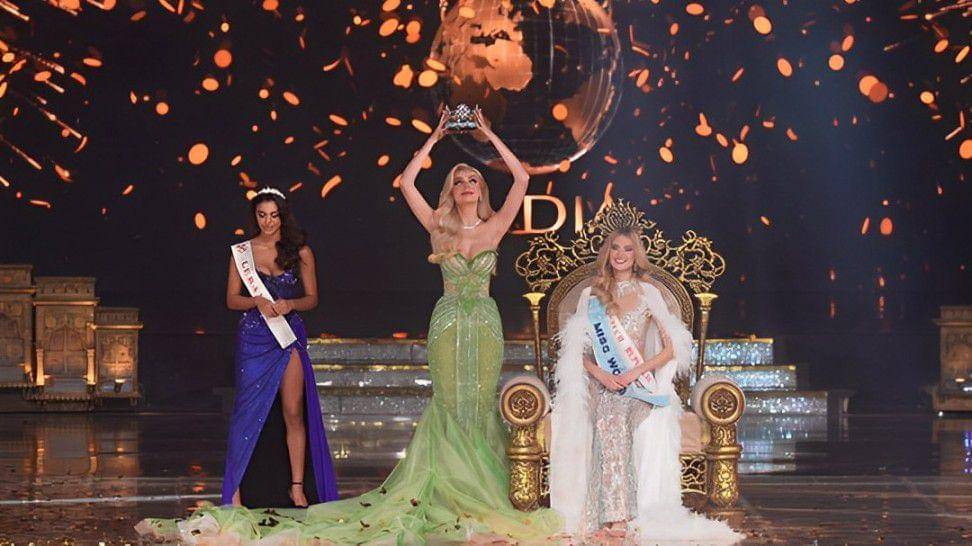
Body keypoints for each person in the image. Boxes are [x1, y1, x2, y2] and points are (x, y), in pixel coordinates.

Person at [137, 111, 561, 543]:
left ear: (482, 189)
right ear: (450, 191)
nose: (466, 185)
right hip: (448, 322)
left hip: (485, 324)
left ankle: (481, 486)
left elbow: (522, 178)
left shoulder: (495, 226)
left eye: (473, 180)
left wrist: (487, 134)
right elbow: (406, 182)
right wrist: (435, 137)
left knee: (480, 402)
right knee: (450, 403)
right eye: (458, 181)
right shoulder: (438, 225)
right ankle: (448, 488)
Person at [135, 188, 340, 540]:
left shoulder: (301, 252)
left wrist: (290, 305)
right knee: (246, 414)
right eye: (262, 215)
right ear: (254, 217)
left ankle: (296, 487)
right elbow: (231, 299)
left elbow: (312, 298)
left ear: (282, 216)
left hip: (287, 335)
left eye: (274, 215)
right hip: (254, 338)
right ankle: (235, 492)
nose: (268, 222)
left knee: (293, 412)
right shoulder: (242, 253)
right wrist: (255, 301)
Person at [549, 227, 743, 544]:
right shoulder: (591, 295)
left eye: (628, 249)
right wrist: (602, 375)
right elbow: (578, 352)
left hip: (638, 384)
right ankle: (608, 514)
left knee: (613, 416)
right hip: (600, 382)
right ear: (607, 253)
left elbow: (671, 349)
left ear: (636, 255)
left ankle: (615, 517)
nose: (621, 255)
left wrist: (632, 373)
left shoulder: (649, 293)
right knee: (608, 412)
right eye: (615, 248)